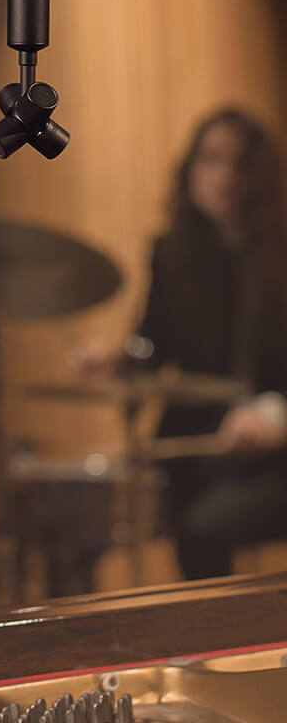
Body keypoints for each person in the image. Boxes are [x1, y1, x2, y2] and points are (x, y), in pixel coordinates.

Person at [75, 106, 287, 581]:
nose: (224, 177)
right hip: (201, 445)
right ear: (192, 170)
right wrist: (118, 361)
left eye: (239, 164)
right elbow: (152, 345)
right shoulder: (172, 253)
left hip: (276, 455)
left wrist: (274, 414)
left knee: (206, 525)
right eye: (211, 161)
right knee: (190, 521)